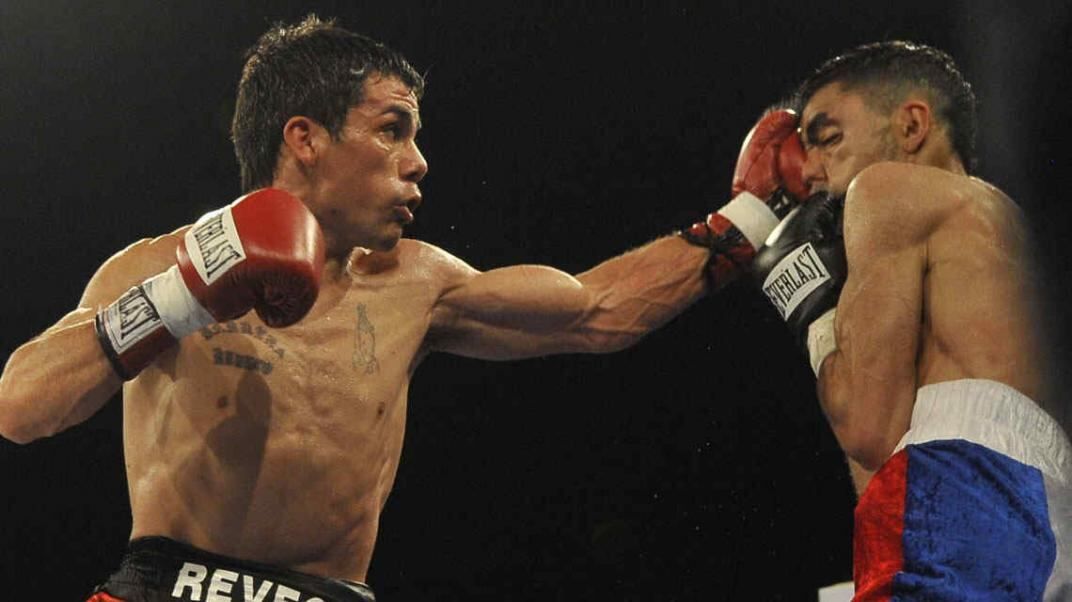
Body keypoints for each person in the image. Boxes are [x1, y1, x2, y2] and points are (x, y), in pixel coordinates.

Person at [0, 15, 810, 601]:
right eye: (393, 130)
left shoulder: (420, 283)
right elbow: (19, 406)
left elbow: (594, 309)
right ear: (305, 137)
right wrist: (179, 296)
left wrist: (747, 219)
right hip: (165, 588)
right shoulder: (157, 266)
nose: (419, 163)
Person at [752, 41, 1072, 599]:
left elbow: (868, 429)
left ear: (912, 125)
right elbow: (888, 460)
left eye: (828, 138)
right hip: (1046, 518)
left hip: (961, 492)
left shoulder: (885, 189)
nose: (809, 171)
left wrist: (815, 314)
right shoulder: (1017, 238)